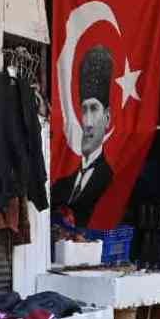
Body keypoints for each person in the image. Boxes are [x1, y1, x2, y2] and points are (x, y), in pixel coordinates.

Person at [52, 43, 115, 224]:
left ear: (107, 117)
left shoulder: (112, 180)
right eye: (84, 109)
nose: (87, 122)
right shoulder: (61, 184)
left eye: (94, 109)